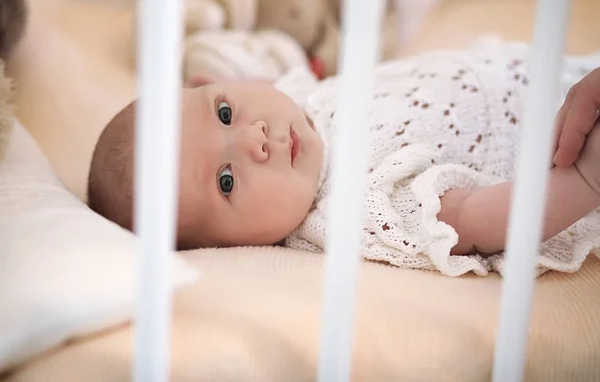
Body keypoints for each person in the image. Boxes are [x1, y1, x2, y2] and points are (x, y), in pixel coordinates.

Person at [87, 40, 600, 277]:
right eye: (225, 181)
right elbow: (475, 218)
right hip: (572, 142)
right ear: (224, 247)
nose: (254, 140)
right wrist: (582, 178)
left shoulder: (295, 99)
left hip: (561, 72)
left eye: (224, 113)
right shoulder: (351, 211)